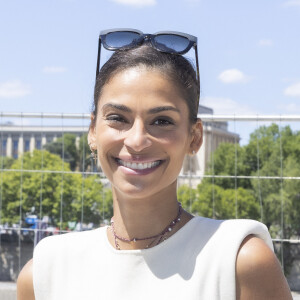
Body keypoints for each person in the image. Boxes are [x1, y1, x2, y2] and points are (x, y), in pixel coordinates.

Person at [17, 29, 292, 300]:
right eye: (117, 118)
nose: (137, 141)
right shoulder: (45, 271)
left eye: (162, 121)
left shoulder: (238, 261)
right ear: (93, 131)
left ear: (194, 137)